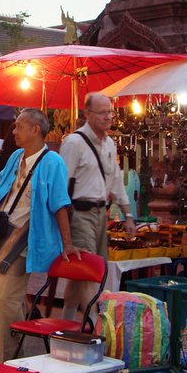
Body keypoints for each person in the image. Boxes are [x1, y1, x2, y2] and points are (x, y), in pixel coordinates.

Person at [0, 108, 80, 362]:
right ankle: (4, 349)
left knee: (7, 299)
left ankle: (12, 358)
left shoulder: (53, 162)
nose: (14, 131)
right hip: (1, 232)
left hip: (26, 236)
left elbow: (60, 203)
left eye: (18, 126)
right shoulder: (16, 156)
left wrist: (67, 242)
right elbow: (3, 187)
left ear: (35, 129)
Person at [59, 93, 136, 321]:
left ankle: (65, 322)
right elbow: (62, 185)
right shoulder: (74, 143)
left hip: (101, 212)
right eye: (102, 112)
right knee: (88, 271)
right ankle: (95, 327)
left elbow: (115, 180)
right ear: (87, 114)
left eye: (110, 112)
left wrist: (128, 213)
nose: (108, 117)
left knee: (80, 273)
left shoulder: (109, 143)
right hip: (80, 213)